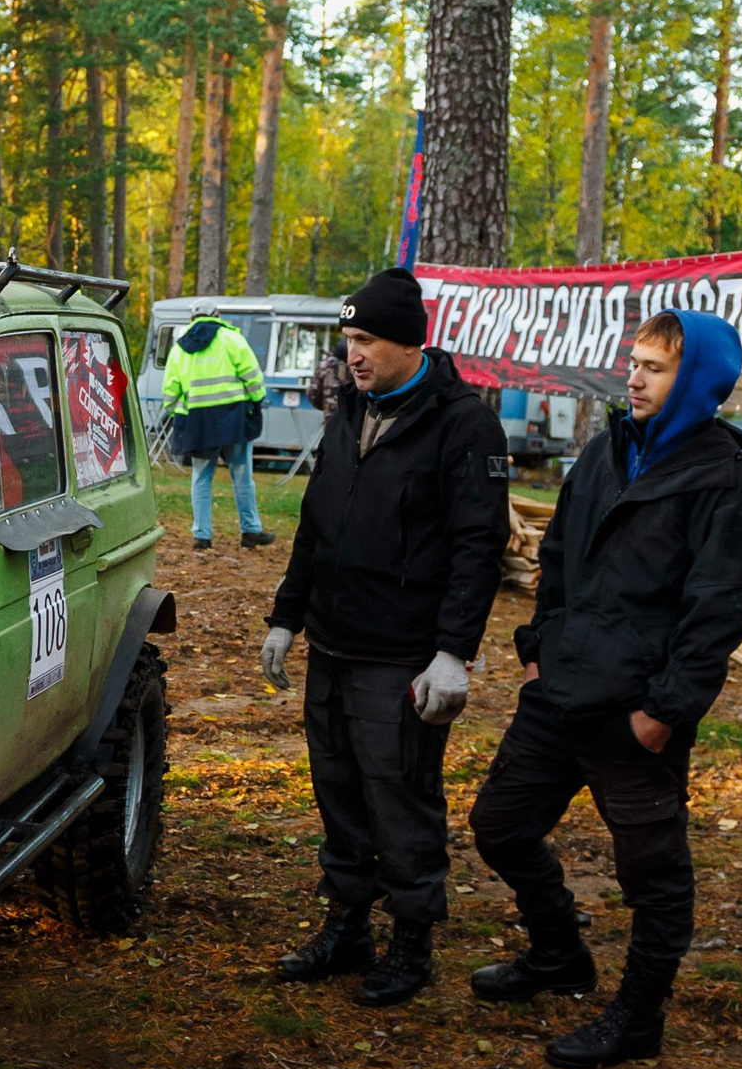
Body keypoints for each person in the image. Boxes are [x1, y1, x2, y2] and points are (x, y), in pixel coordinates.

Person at [465, 308, 742, 1069]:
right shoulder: (604, 452)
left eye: (655, 367)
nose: (634, 376)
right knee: (499, 825)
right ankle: (559, 951)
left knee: (653, 877)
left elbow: (716, 613)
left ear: (695, 380)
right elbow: (558, 559)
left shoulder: (723, 482)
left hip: (633, 714)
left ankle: (638, 1016)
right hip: (559, 693)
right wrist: (538, 650)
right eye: (633, 362)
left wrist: (662, 714)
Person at [260, 271, 511, 1006]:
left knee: (399, 798)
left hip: (400, 657)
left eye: (366, 339)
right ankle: (348, 925)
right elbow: (317, 520)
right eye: (348, 339)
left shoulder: (463, 425)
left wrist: (453, 650)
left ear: (410, 340)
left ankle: (411, 941)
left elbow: (478, 545)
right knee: (337, 792)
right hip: (332, 645)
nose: (354, 354)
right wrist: (286, 614)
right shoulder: (351, 411)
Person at [161, 311, 275, 551]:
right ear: (217, 315)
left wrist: (175, 412)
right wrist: (256, 399)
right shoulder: (232, 338)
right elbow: (252, 375)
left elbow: (170, 390)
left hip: (199, 423)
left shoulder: (180, 347)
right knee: (243, 477)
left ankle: (202, 537)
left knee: (201, 478)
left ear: (192, 318)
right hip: (233, 419)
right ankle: (251, 531)